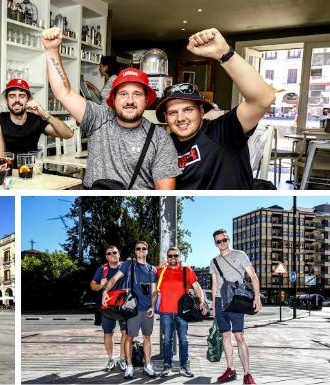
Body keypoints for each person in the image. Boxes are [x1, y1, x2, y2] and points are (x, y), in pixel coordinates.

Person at [42, 27, 180, 189]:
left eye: (137, 94)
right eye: (123, 94)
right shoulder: (98, 118)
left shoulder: (160, 139)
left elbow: (164, 196)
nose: (130, 100)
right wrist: (51, 50)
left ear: (147, 100)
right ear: (113, 99)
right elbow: (63, 92)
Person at [154, 28, 276, 189]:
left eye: (188, 110)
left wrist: (223, 53)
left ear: (202, 111)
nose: (180, 118)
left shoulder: (224, 131)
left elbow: (263, 99)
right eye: (172, 112)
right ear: (166, 117)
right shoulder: (164, 148)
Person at [209, 229, 262, 384]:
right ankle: (230, 369)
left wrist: (257, 297)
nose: (222, 243)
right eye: (218, 241)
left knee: (239, 336)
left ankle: (247, 374)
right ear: (215, 243)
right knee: (225, 335)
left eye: (224, 240)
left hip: (236, 300)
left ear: (228, 239)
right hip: (220, 302)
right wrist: (213, 306)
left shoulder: (240, 254)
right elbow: (214, 285)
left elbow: (253, 276)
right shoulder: (214, 261)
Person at [0, 78, 74, 157]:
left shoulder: (36, 120)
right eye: (12, 96)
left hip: (30, 171)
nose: (17, 100)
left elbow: (68, 134)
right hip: (5, 173)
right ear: (6, 100)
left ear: (28, 99)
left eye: (22, 96)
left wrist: (45, 114)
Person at [103, 241, 158, 379]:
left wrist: (152, 305)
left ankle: (148, 365)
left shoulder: (152, 269)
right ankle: (129, 366)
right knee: (129, 337)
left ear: (147, 251)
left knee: (147, 337)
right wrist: (105, 291)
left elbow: (154, 291)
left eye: (143, 248)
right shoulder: (128, 265)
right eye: (138, 248)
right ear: (135, 251)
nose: (141, 250)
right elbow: (114, 278)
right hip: (132, 308)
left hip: (147, 310)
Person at [156, 247, 208, 377]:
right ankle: (167, 366)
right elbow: (147, 273)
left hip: (182, 313)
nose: (173, 258)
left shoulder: (187, 270)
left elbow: (197, 287)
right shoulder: (160, 271)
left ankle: (184, 366)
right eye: (170, 256)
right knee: (167, 340)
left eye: (176, 256)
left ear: (180, 257)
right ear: (167, 257)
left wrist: (202, 301)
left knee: (183, 340)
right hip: (165, 312)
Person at [90, 245, 128, 372]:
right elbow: (92, 285)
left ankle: (122, 359)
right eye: (109, 253)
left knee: (125, 333)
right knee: (108, 333)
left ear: (119, 254)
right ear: (106, 256)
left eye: (115, 252)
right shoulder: (102, 269)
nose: (112, 254)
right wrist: (100, 285)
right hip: (107, 306)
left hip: (123, 305)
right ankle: (111, 359)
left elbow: (144, 268)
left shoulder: (125, 266)